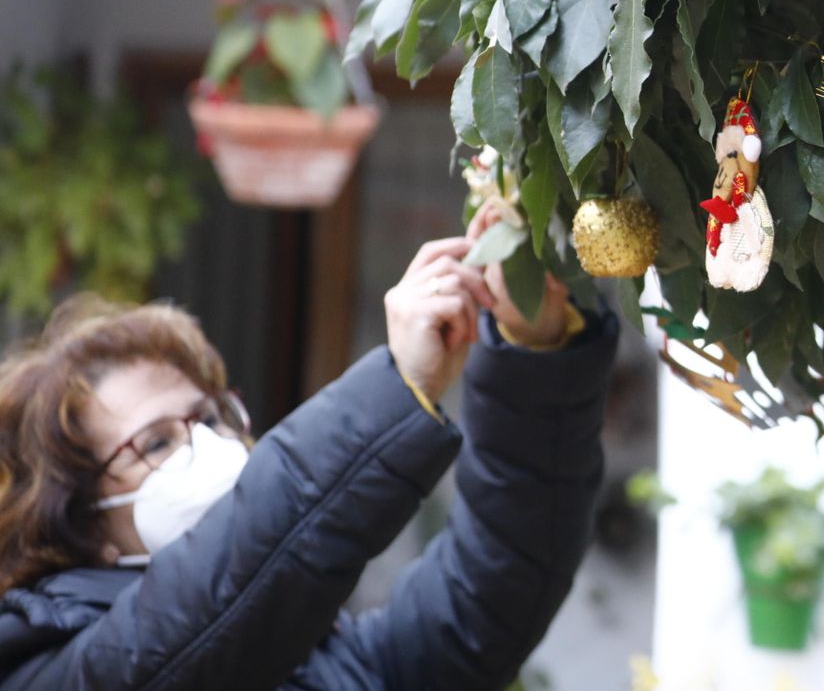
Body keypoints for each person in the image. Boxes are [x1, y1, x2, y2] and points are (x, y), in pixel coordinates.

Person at [0, 213, 619, 691]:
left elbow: (494, 585)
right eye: (157, 441)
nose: (208, 444)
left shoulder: (326, 659)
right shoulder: (53, 670)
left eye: (210, 416)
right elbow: (194, 621)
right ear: (83, 525)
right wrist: (397, 384)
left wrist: (534, 349)